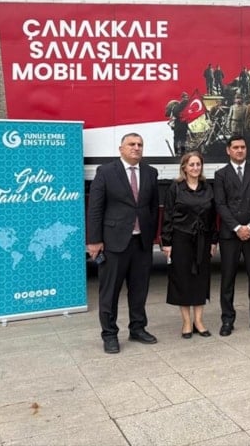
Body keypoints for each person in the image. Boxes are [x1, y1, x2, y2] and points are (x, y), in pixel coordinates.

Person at [86, 133, 160, 354]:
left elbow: (153, 207)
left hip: (141, 243)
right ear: (121, 149)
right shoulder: (106, 172)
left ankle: (137, 328)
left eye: (140, 144)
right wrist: (94, 240)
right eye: (131, 144)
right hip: (114, 243)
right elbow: (95, 208)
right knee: (110, 292)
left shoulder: (150, 172)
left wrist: (151, 235)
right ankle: (109, 335)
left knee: (139, 290)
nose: (136, 148)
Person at [214, 135, 250, 336]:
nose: (239, 150)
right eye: (235, 147)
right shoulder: (221, 174)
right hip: (230, 234)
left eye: (242, 147)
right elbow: (220, 204)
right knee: (228, 279)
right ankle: (227, 320)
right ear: (228, 150)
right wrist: (237, 227)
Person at [160, 151, 218, 339]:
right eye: (191, 164)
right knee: (183, 280)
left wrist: (213, 240)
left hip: (203, 240)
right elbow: (168, 216)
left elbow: (212, 217)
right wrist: (167, 242)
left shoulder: (207, 188)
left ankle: (198, 321)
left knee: (201, 280)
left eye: (198, 164)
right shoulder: (175, 188)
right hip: (181, 240)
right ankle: (186, 322)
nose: (195, 168)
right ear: (184, 167)